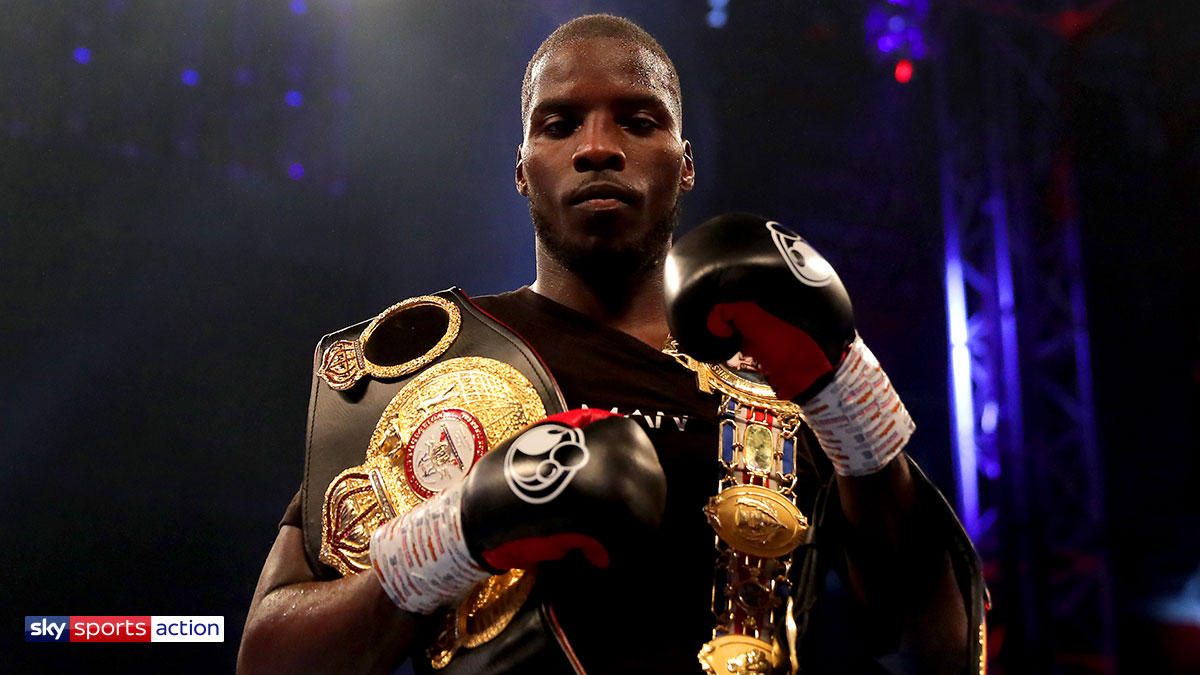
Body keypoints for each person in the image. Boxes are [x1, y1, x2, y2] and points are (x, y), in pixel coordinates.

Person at [238, 14, 984, 674]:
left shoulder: (783, 373)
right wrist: (458, 531)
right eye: (560, 124)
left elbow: (938, 650)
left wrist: (845, 387)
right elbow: (270, 656)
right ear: (522, 170)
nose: (597, 147)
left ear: (684, 162)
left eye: (637, 120)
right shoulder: (432, 372)